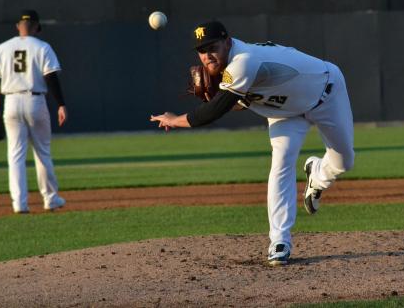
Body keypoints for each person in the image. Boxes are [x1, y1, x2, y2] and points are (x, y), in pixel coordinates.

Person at [150, 21, 355, 266]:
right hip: (283, 113)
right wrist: (222, 96)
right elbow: (237, 103)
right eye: (201, 51)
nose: (207, 55)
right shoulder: (228, 70)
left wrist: (175, 120)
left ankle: (318, 175)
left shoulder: (243, 61)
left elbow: (213, 112)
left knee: (344, 161)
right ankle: (279, 241)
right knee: (281, 165)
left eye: (212, 47)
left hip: (326, 94)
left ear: (227, 42)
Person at [0, 10, 67, 214]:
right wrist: (61, 104)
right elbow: (51, 78)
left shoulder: (3, 48)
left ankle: (19, 204)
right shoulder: (42, 47)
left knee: (15, 155)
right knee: (42, 152)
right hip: (35, 100)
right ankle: (50, 199)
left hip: (11, 102)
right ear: (36, 27)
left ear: (17, 26)